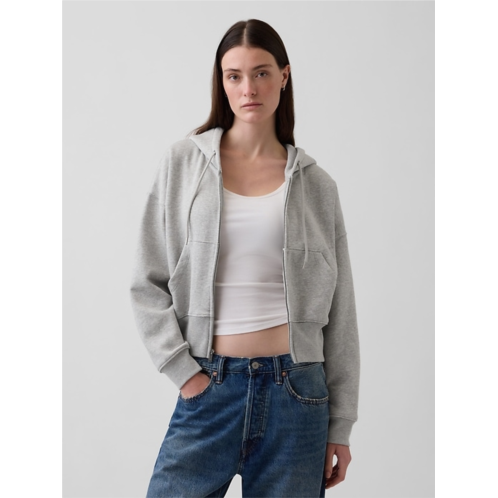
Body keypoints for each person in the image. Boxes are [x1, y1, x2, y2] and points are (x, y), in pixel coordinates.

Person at [130, 18, 360, 498]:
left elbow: (341, 312)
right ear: (221, 82)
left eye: (261, 73)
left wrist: (340, 424)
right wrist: (185, 373)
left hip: (298, 395)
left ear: (284, 76)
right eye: (234, 76)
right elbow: (147, 281)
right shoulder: (183, 164)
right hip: (209, 386)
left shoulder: (318, 186)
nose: (248, 88)